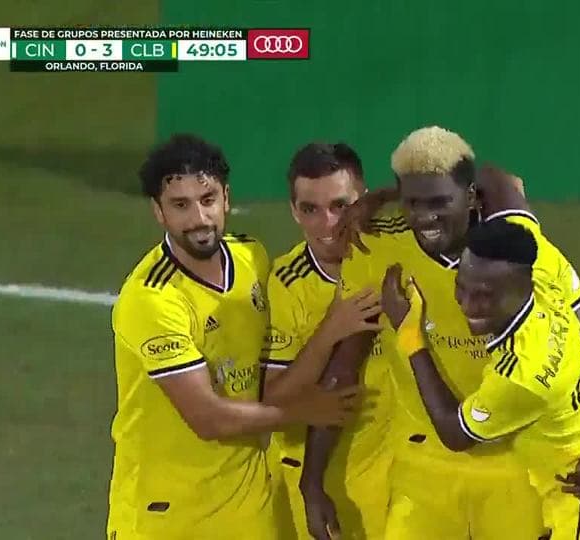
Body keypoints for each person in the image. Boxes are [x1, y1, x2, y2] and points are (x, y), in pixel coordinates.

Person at [106, 134, 361, 540]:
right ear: (158, 211)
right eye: (180, 205)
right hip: (170, 512)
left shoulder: (251, 258)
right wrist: (302, 412)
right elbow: (208, 418)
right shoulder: (153, 299)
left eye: (207, 199)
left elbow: (267, 378)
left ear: (226, 198)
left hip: (251, 502)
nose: (199, 219)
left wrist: (330, 333)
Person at [303, 126, 550, 540]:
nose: (423, 217)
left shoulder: (512, 248)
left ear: (470, 197)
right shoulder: (375, 249)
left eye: (439, 202)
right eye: (412, 203)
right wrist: (312, 482)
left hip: (515, 464)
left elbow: (499, 178)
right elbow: (343, 371)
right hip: (423, 469)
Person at [380, 218, 580, 539]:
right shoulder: (545, 275)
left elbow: (454, 433)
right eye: (461, 287)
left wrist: (410, 335)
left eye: (484, 296)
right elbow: (506, 191)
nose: (467, 304)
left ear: (522, 286)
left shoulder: (522, 376)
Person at [262, 142, 395, 539]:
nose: (329, 224)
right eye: (310, 210)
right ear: (293, 211)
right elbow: (274, 397)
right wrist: (331, 330)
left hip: (397, 467)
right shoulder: (285, 284)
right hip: (316, 476)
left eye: (340, 206)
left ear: (363, 200)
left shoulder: (395, 255)